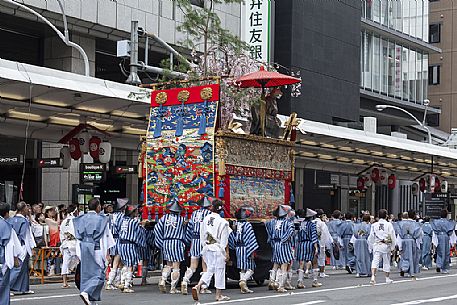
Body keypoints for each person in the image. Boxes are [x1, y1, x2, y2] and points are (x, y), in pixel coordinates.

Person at [73, 198, 114, 305]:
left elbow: (78, 237)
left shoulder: (81, 218)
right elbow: (105, 237)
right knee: (99, 274)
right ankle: (87, 292)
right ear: (98, 207)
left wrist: (78, 253)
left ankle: (91, 301)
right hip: (97, 248)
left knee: (87, 274)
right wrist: (107, 253)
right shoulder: (102, 219)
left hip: (83, 247)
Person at [192, 199, 232, 302]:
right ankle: (218, 295)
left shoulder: (206, 219)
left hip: (207, 247)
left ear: (212, 207)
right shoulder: (223, 222)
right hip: (217, 248)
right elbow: (224, 240)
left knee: (209, 269)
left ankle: (198, 285)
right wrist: (225, 252)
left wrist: (204, 245)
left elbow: (202, 234)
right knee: (219, 270)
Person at [154, 200, 187, 294]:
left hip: (166, 242)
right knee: (176, 266)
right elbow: (185, 232)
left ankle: (163, 280)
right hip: (177, 242)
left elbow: (157, 229)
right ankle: (173, 287)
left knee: (168, 264)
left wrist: (160, 242)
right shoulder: (182, 219)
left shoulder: (164, 218)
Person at [182, 197, 213, 295]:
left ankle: (185, 281)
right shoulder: (209, 214)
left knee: (193, 266)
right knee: (205, 265)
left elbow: (189, 229)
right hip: (204, 241)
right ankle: (204, 287)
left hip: (194, 240)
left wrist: (188, 241)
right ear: (208, 206)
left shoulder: (194, 214)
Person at [228, 206, 259, 294]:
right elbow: (251, 237)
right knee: (251, 268)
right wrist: (252, 250)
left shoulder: (236, 224)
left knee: (242, 268)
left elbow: (232, 236)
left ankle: (243, 286)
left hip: (238, 248)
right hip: (246, 247)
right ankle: (243, 281)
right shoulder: (247, 224)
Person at [8, 201, 36, 295]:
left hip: (13, 245)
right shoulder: (24, 221)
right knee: (18, 267)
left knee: (23, 268)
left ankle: (24, 288)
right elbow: (26, 236)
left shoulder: (11, 219)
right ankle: (7, 288)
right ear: (23, 209)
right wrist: (32, 247)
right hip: (22, 246)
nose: (28, 210)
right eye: (27, 208)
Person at [266, 205, 295, 292]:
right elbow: (290, 232)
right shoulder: (288, 223)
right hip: (284, 244)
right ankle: (281, 285)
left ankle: (272, 281)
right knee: (284, 264)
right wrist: (284, 240)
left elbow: (268, 230)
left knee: (275, 263)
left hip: (275, 244)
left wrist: (273, 240)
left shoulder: (272, 222)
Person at [118, 203, 145, 293]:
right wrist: (142, 243)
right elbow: (139, 234)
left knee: (125, 263)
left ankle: (122, 282)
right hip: (130, 244)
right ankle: (126, 285)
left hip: (121, 244)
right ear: (132, 213)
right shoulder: (134, 222)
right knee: (130, 265)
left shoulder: (122, 220)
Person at [0, 202, 23, 305]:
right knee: (3, 288)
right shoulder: (6, 225)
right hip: (2, 259)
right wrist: (15, 258)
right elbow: (12, 245)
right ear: (6, 213)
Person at [368, 209, 396, 285]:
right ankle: (387, 278)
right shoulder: (389, 224)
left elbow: (371, 236)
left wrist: (370, 246)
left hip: (377, 244)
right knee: (386, 261)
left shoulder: (374, 225)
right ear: (386, 216)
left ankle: (373, 277)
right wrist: (393, 246)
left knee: (375, 261)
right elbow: (392, 236)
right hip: (385, 245)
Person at [106, 198, 128, 290]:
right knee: (118, 262)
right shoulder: (122, 217)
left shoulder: (110, 216)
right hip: (119, 239)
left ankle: (115, 281)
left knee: (116, 262)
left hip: (111, 239)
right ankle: (111, 282)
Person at [296, 208, 320, 289]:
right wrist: (316, 247)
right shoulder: (312, 224)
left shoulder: (300, 224)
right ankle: (315, 281)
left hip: (301, 244)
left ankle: (300, 281)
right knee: (314, 261)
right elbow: (314, 236)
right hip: (309, 244)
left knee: (301, 263)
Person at [397, 210, 423, 278]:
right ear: (414, 216)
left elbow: (399, 234)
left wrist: (399, 245)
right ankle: (411, 271)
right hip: (412, 240)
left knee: (404, 255)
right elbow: (419, 234)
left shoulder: (401, 223)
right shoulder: (416, 224)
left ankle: (403, 267)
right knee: (412, 256)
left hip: (404, 240)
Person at [60, 204, 79, 288]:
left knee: (65, 262)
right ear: (74, 211)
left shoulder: (64, 221)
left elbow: (61, 233)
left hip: (66, 242)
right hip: (74, 243)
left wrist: (64, 239)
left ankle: (64, 282)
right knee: (79, 262)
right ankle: (78, 280)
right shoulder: (75, 220)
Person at [431, 209, 456, 274]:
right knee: (446, 252)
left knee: (439, 252)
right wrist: (453, 242)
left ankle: (439, 264)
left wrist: (434, 242)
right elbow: (451, 233)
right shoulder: (449, 222)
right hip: (446, 237)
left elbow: (434, 232)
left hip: (439, 236)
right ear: (446, 215)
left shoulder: (436, 222)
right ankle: (444, 267)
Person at [313, 209, 332, 278]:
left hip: (312, 241)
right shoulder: (322, 223)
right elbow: (325, 234)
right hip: (320, 241)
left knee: (313, 256)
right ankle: (321, 272)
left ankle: (312, 271)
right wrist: (326, 244)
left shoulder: (312, 222)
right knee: (321, 257)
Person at [139, 219, 155, 286]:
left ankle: (130, 280)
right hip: (146, 247)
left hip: (138, 246)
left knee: (134, 263)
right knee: (145, 263)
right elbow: (151, 242)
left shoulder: (139, 229)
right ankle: (143, 280)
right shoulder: (150, 232)